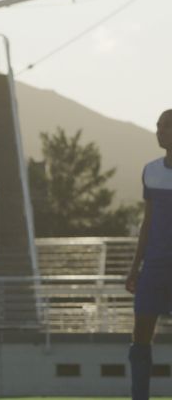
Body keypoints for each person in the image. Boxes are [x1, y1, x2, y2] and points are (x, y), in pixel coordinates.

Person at [125, 108, 172, 400]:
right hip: (153, 269)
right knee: (140, 337)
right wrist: (134, 268)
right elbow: (147, 224)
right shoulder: (151, 170)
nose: (159, 131)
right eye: (158, 126)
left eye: (165, 126)